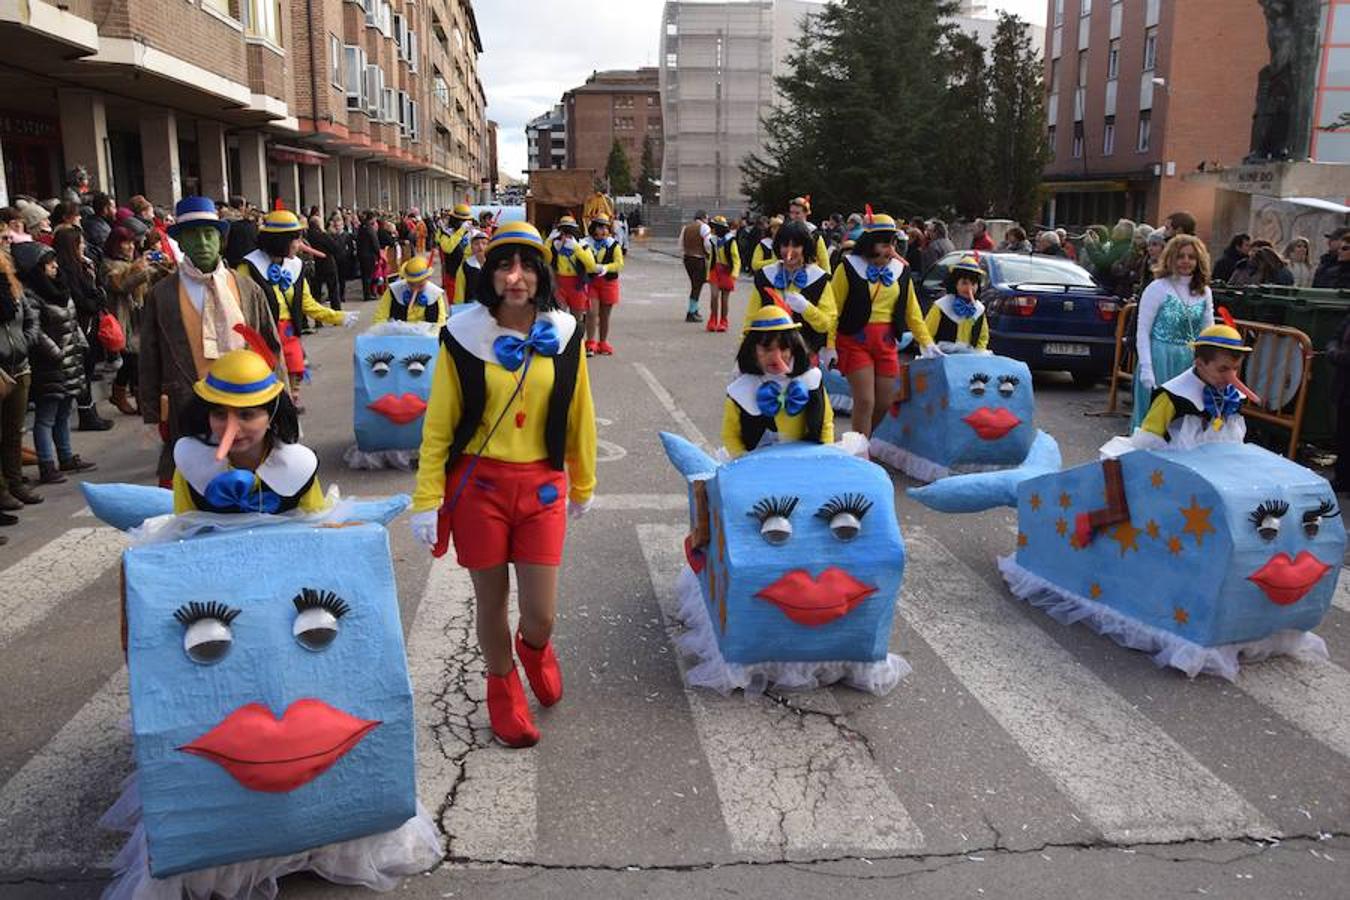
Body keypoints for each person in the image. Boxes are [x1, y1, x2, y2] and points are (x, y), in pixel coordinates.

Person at [408, 221, 597, 749]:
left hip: (540, 486)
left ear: (541, 274)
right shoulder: (461, 336)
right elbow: (440, 423)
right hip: (479, 489)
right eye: (504, 266)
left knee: (541, 612)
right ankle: (502, 685)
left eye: (527, 267)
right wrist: (427, 499)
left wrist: (583, 479)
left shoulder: (565, 332)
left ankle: (534, 649)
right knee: (490, 601)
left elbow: (580, 409)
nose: (515, 278)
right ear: (489, 274)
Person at [140, 196, 286, 488]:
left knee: (251, 481)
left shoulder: (246, 288)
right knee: (191, 481)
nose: (202, 242)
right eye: (193, 235)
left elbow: (269, 344)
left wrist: (279, 398)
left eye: (209, 234)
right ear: (181, 242)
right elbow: (149, 353)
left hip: (245, 398)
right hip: (188, 400)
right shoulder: (162, 294)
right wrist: (153, 409)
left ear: (220, 240)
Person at [171, 346, 325, 514]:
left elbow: (315, 525)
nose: (233, 430)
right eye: (220, 415)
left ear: (271, 415)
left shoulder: (298, 468)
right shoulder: (192, 464)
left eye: (246, 415)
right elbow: (185, 529)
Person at [238, 210, 357, 410]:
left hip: (289, 332)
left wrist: (338, 317)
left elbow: (307, 304)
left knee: (295, 367)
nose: (300, 244)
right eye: (295, 239)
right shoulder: (248, 267)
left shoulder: (295, 266)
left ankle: (289, 406)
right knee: (266, 374)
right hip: (262, 333)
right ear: (280, 241)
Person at [828, 213, 926, 437]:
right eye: (885, 244)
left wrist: (926, 342)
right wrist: (829, 344)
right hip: (854, 340)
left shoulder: (901, 270)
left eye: (893, 243)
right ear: (870, 244)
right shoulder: (848, 267)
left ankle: (863, 441)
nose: (891, 250)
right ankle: (861, 455)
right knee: (865, 400)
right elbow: (833, 310)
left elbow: (912, 311)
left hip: (886, 342)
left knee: (885, 400)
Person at [12, 240, 96, 484]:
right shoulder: (31, 294)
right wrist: (56, 352)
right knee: (46, 416)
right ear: (37, 268)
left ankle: (66, 456)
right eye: (50, 263)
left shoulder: (58, 288)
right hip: (49, 364)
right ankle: (47, 464)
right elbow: (35, 332)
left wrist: (81, 344)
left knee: (63, 413)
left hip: (70, 359)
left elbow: (71, 320)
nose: (55, 267)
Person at [722, 306, 833, 458]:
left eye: (783, 348)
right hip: (759, 468)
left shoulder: (811, 380)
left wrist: (824, 456)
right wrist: (745, 466)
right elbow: (731, 436)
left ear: (794, 348)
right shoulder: (740, 391)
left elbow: (825, 425)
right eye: (767, 349)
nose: (776, 356)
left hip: (805, 463)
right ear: (752, 350)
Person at [1131, 234, 1214, 431]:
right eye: (1181, 256)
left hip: (1190, 362)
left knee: (1183, 420)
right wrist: (1146, 367)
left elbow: (1208, 332)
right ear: (1171, 259)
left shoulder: (1204, 292)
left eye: (1191, 257)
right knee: (1155, 419)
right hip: (1160, 358)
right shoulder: (1157, 288)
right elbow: (1142, 331)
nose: (1186, 261)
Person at [1131, 323, 1252, 450]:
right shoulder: (1172, 397)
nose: (1231, 377)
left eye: (1235, 369)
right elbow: (1148, 441)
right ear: (1199, 364)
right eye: (1223, 369)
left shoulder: (1233, 396)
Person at [53, 225, 113, 431]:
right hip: (78, 327)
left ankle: (90, 412)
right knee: (82, 372)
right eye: (80, 243)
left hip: (89, 324)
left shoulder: (83, 266)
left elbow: (96, 291)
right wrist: (97, 301)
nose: (84, 246)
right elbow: (82, 300)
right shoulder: (66, 271)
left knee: (86, 371)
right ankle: (87, 414)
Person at [742, 220, 836, 353]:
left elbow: (826, 324)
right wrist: (745, 350)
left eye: (796, 245)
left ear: (805, 248)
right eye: (785, 245)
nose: (789, 251)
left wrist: (806, 308)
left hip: (805, 354)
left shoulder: (819, 279)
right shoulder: (765, 276)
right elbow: (752, 317)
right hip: (769, 354)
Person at [0, 248, 42, 523]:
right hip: (0, 367)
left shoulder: (12, 286)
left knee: (14, 432)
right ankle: (2, 490)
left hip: (20, 365)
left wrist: (26, 342)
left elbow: (31, 317)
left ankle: (15, 483)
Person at [101, 226, 157, 416]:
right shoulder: (108, 265)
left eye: (132, 243)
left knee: (133, 360)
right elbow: (121, 285)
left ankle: (122, 394)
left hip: (139, 317)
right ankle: (140, 401)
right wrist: (143, 270)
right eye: (126, 243)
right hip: (122, 319)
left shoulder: (133, 262)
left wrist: (160, 267)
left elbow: (147, 287)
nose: (130, 247)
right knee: (133, 360)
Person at [543, 215, 603, 332]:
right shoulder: (555, 245)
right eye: (563, 232)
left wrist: (576, 248)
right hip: (560, 284)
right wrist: (549, 241)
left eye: (569, 232)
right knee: (558, 318)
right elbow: (544, 260)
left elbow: (591, 266)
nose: (566, 236)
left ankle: (577, 345)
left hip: (577, 285)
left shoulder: (582, 245)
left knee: (577, 320)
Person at [924, 254, 989, 353]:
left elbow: (983, 337)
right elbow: (927, 333)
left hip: (969, 360)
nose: (969, 288)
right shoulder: (941, 306)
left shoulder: (979, 309)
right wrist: (934, 353)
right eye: (964, 283)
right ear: (955, 283)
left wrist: (978, 353)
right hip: (943, 356)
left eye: (973, 283)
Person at [581, 215, 623, 354]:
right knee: (592, 313)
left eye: (605, 227)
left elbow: (619, 264)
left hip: (609, 283)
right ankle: (590, 342)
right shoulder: (585, 243)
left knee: (605, 316)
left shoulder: (613, 244)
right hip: (592, 282)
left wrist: (606, 267)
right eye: (600, 227)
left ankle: (603, 342)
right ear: (593, 228)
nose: (603, 230)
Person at [373, 256, 447, 324]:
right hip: (397, 335)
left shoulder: (435, 294)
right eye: (411, 284)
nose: (415, 288)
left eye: (420, 285)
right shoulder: (393, 291)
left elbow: (441, 322)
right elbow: (379, 318)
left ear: (427, 278)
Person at [704, 215, 739, 334]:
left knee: (725, 299)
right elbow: (712, 257)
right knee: (714, 296)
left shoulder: (731, 241)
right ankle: (712, 319)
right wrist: (708, 273)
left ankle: (723, 321)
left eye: (713, 227)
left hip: (727, 271)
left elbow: (736, 259)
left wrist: (734, 275)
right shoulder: (713, 240)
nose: (712, 229)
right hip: (715, 270)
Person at [436, 203, 475, 298]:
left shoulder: (471, 233)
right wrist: (461, 231)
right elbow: (447, 248)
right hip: (453, 276)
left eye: (468, 221)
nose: (467, 223)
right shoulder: (445, 233)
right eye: (464, 221)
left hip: (469, 275)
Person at [679, 211, 711, 322]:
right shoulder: (704, 227)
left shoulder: (686, 228)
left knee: (694, 284)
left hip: (687, 258)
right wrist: (709, 254)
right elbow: (708, 244)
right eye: (707, 218)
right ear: (703, 218)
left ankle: (695, 308)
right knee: (697, 285)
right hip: (699, 259)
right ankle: (691, 312)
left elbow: (680, 244)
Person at [307, 215, 343, 312]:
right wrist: (334, 235)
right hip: (327, 265)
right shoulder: (322, 235)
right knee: (333, 291)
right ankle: (336, 312)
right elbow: (335, 248)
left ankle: (318, 318)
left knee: (316, 293)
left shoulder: (308, 236)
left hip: (315, 266)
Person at [786, 196, 830, 266]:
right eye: (791, 213)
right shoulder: (785, 232)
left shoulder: (815, 234)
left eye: (797, 213)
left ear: (806, 213)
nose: (793, 216)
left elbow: (824, 261)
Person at [454, 230, 489, 305]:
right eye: (476, 244)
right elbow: (460, 291)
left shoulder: (495, 265)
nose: (480, 247)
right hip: (471, 306)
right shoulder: (466, 266)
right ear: (471, 247)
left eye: (484, 243)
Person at [221, 196, 258, 268]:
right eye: (244, 205)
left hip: (231, 261)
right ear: (240, 206)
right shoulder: (249, 223)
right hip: (247, 260)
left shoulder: (224, 222)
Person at [356, 211, 382, 302]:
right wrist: (379, 254)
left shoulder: (361, 227)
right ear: (372, 218)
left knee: (365, 276)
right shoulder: (370, 229)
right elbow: (375, 243)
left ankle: (367, 293)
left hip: (362, 255)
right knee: (369, 276)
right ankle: (368, 294)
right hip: (369, 255)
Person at [1134, 230, 1167, 297]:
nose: (1150, 249)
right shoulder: (1146, 264)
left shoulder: (1167, 268)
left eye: (1155, 245)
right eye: (1149, 245)